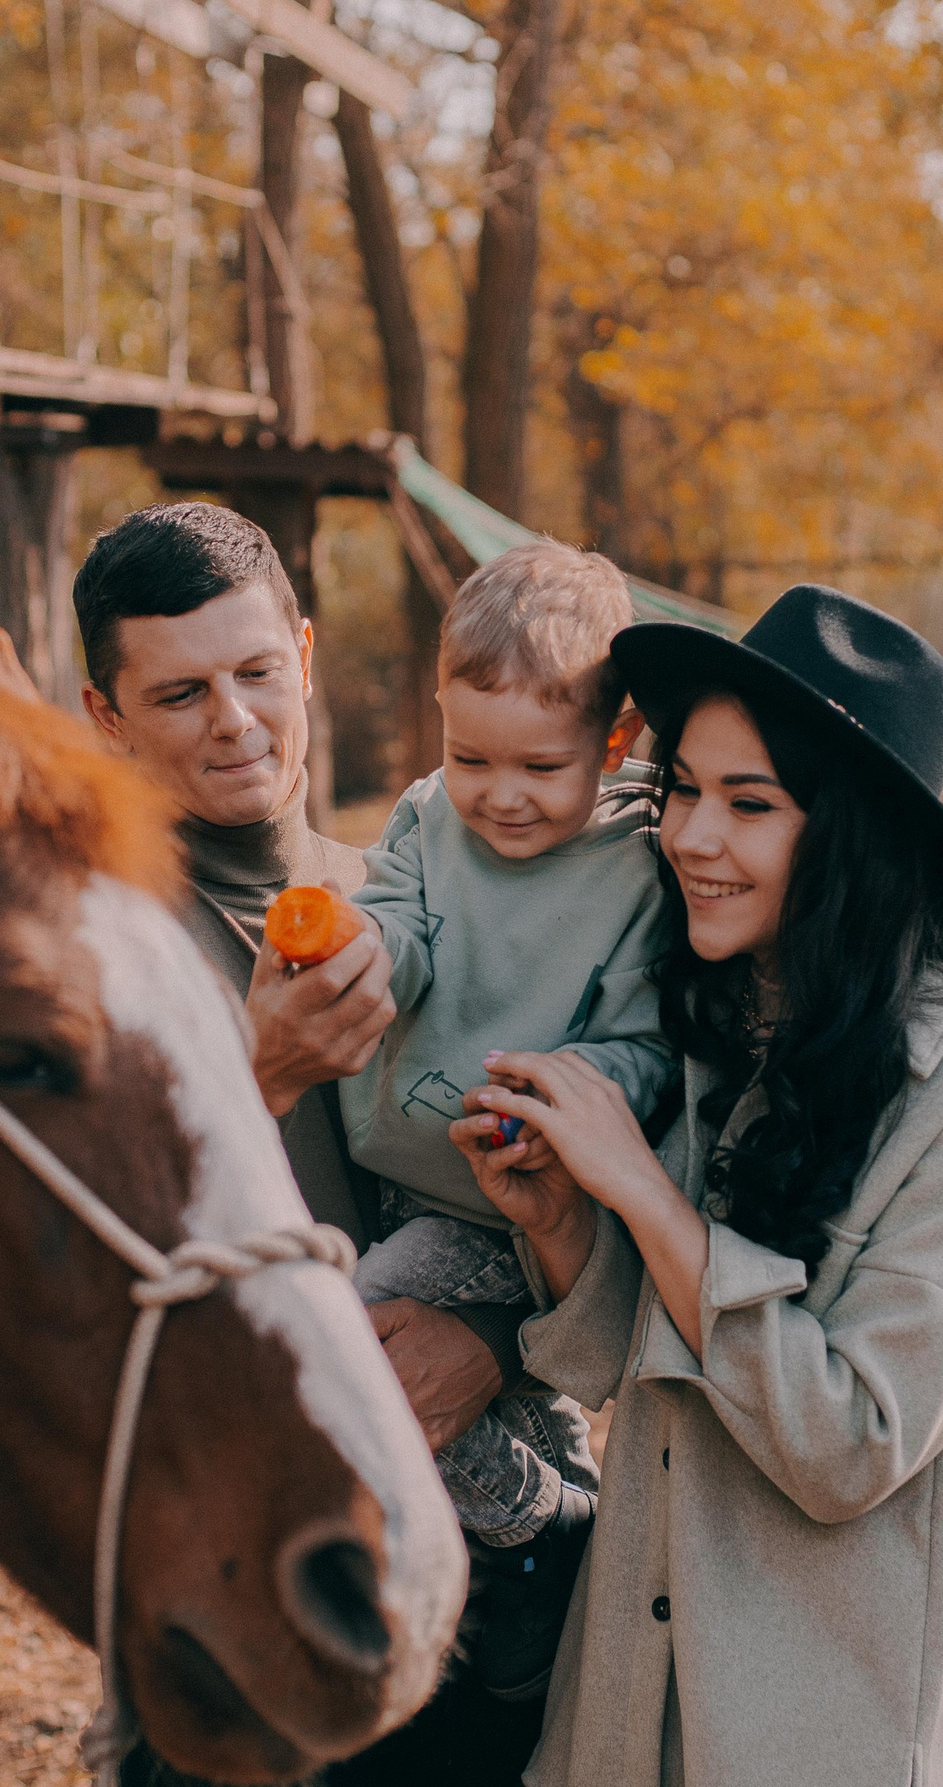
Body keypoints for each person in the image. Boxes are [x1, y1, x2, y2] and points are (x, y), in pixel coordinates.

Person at [448, 585, 943, 1787]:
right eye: (684, 788)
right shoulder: (724, 1022)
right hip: (617, 1720)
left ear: (851, 837)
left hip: (809, 1737)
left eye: (750, 804)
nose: (693, 836)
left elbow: (847, 1442)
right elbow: (624, 1368)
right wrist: (562, 1221)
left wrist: (642, 1191)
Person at [75, 502, 546, 1785]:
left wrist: (489, 1343)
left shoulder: (420, 897)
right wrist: (259, 1072)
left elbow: (561, 1207)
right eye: (178, 693)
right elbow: (61, 1295)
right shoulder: (76, 951)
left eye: (254, 672)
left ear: (302, 649)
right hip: (232, 1607)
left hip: (484, 1585)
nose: (232, 720)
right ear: (104, 714)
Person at [341, 544, 674, 1700]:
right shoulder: (430, 818)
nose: (500, 792)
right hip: (396, 1168)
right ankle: (530, 1502)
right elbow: (398, 918)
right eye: (468, 754)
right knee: (470, 1386)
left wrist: (569, 1088)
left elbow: (647, 1044)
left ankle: (536, 1516)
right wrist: (363, 953)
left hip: (503, 1201)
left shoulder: (636, 867)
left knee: (344, 1346)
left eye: (540, 764)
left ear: (615, 742)